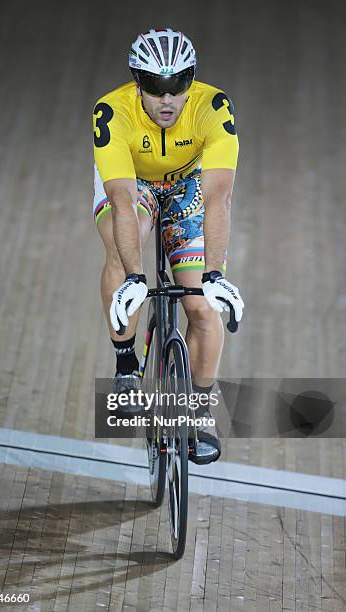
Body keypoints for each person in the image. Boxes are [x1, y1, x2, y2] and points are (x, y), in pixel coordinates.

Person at [93, 28, 244, 464]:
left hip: (187, 189)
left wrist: (215, 275)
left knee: (200, 306)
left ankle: (194, 414)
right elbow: (121, 202)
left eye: (177, 85)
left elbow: (219, 198)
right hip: (133, 187)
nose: (166, 98)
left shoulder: (213, 108)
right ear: (136, 82)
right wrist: (136, 276)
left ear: (191, 81)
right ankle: (126, 363)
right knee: (129, 245)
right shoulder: (112, 111)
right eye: (154, 86)